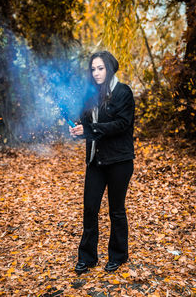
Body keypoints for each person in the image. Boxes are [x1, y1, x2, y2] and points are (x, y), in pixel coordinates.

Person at [69, 51, 135, 274]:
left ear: (110, 68)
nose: (96, 73)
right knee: (90, 208)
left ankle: (118, 255)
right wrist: (77, 130)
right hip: (96, 160)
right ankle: (87, 258)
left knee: (116, 210)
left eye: (101, 68)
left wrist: (90, 129)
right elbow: (85, 124)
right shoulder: (90, 95)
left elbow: (121, 124)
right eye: (93, 69)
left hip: (119, 160)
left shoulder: (123, 92)